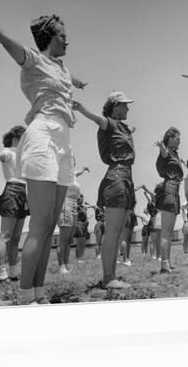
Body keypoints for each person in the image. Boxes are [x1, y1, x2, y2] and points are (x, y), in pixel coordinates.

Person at [0, 0, 87, 305]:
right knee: (39, 225)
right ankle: (26, 297)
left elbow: (65, 80)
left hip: (64, 144)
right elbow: (3, 39)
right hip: (42, 137)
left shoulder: (61, 68)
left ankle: (39, 294)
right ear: (49, 38)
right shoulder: (33, 59)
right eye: (63, 36)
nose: (68, 42)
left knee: (50, 227)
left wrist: (76, 82)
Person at [73, 91, 135, 289]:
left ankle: (112, 276)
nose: (128, 108)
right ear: (115, 106)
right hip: (116, 178)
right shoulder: (109, 122)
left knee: (118, 233)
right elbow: (97, 119)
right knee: (113, 232)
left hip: (125, 177)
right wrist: (82, 109)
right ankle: (108, 278)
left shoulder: (122, 127)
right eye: (124, 105)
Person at [0, 126, 30, 282]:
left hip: (23, 193)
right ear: (16, 139)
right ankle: (1, 273)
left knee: (16, 238)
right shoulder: (8, 151)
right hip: (12, 191)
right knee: (6, 236)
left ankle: (13, 272)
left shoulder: (23, 155)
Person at [154, 127, 184, 273]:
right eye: (177, 139)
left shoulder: (175, 154)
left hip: (174, 193)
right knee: (166, 232)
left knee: (169, 232)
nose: (180, 142)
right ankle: (164, 264)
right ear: (170, 138)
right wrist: (161, 146)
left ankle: (167, 262)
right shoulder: (166, 151)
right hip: (169, 192)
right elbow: (164, 154)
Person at [56, 167, 89, 274]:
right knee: (63, 239)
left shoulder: (73, 173)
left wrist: (84, 169)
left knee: (69, 239)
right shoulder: (61, 172)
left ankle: (66, 264)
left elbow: (77, 172)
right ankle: (61, 266)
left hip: (74, 204)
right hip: (66, 203)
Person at [74, 192, 91, 263]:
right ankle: (78, 258)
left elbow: (89, 207)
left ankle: (81, 257)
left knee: (83, 243)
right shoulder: (76, 206)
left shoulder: (83, 207)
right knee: (79, 243)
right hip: (79, 225)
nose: (82, 199)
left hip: (85, 226)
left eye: (82, 197)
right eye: (80, 197)